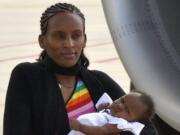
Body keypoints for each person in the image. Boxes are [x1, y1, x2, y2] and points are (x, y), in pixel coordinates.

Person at [3, 2, 158, 135]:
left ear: (84, 40)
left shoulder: (100, 81)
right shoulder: (27, 75)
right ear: (42, 41)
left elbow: (147, 129)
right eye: (59, 36)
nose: (69, 44)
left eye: (76, 36)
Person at [69, 91, 155, 135]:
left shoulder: (119, 123)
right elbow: (100, 120)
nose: (120, 106)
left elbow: (101, 131)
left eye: (127, 111)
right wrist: (100, 110)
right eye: (122, 100)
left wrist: (81, 127)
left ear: (132, 121)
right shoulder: (110, 113)